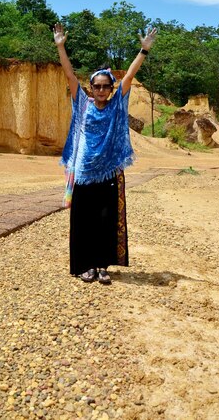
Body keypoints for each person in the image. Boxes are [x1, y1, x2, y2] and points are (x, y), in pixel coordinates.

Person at [53, 23, 157, 284]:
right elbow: (69, 76)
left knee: (105, 221)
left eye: (105, 86)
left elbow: (129, 77)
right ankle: (84, 266)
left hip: (109, 173)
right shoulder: (82, 103)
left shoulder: (116, 107)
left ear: (111, 89)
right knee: (83, 222)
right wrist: (60, 47)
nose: (101, 90)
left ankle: (101, 266)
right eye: (97, 86)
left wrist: (143, 51)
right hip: (84, 174)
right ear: (91, 88)